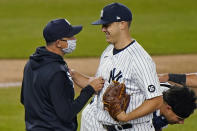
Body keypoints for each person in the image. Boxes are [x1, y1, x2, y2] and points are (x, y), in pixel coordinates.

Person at [80, 3, 163, 131]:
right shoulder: (108, 51)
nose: (103, 29)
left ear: (122, 24)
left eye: (107, 25)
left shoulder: (139, 60)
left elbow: (156, 100)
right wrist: (73, 74)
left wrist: (127, 117)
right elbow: (100, 87)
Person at [20, 18, 104, 131]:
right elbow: (67, 113)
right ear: (58, 43)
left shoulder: (31, 63)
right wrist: (90, 89)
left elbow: (24, 99)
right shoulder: (57, 72)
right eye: (70, 37)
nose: (74, 39)